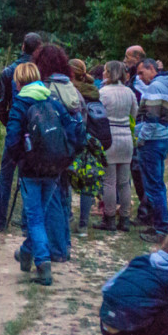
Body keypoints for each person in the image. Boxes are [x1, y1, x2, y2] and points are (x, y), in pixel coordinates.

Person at [5, 62, 84, 286]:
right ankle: (25, 252)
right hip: (54, 168)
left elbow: (11, 140)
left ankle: (42, 264)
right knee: (42, 213)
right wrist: (66, 157)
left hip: (30, 170)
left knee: (35, 217)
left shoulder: (20, 104)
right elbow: (73, 132)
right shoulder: (52, 101)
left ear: (18, 82)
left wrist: (21, 159)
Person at [34, 45, 84, 262]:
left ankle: (56, 250)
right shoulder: (71, 88)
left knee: (51, 199)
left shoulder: (45, 88)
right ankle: (65, 244)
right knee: (63, 197)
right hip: (69, 150)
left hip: (49, 150)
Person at [0, 32, 43, 232]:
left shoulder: (9, 71)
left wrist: (11, 123)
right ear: (38, 49)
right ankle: (26, 221)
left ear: (22, 46)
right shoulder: (40, 72)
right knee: (28, 175)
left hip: (15, 128)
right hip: (37, 132)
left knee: (6, 174)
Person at [135, 58, 168, 244]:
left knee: (153, 186)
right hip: (163, 138)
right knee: (158, 184)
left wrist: (141, 139)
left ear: (151, 68)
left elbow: (152, 118)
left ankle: (161, 228)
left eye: (141, 72)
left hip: (152, 141)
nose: (139, 77)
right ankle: (159, 223)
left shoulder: (155, 88)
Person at [94, 61, 139, 232]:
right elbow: (134, 113)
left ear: (109, 73)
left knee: (109, 182)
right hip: (126, 137)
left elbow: (98, 115)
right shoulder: (129, 92)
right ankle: (125, 219)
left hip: (109, 137)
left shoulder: (103, 92)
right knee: (124, 182)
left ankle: (110, 218)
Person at [69, 58, 102, 236]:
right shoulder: (94, 90)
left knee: (67, 178)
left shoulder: (71, 91)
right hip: (92, 141)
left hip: (76, 139)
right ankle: (83, 225)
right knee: (87, 183)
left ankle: (67, 217)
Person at [124, 44, 152, 225]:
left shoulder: (143, 80)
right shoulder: (134, 77)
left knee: (142, 173)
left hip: (142, 130)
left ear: (137, 58)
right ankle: (145, 210)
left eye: (128, 57)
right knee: (137, 172)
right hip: (135, 130)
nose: (125, 61)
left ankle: (147, 213)